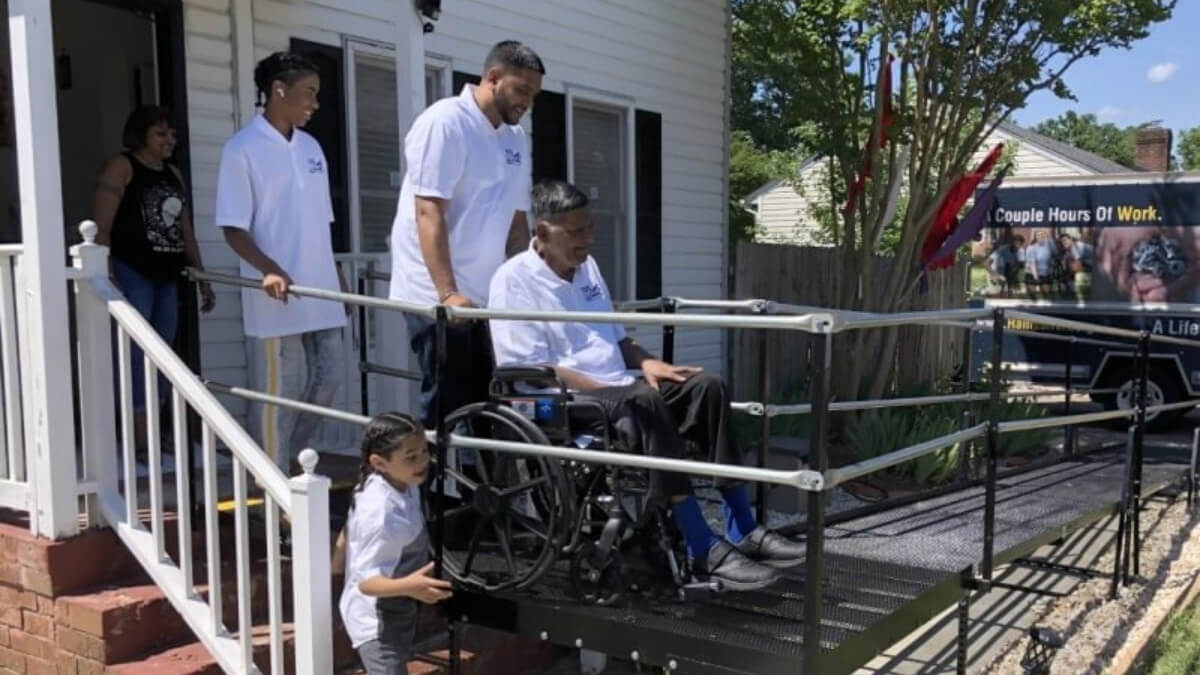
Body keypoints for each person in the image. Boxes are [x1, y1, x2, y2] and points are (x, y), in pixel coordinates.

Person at [487, 180, 804, 591]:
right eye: (576, 231)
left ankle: (743, 527)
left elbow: (617, 337)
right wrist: (607, 387)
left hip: (619, 390)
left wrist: (648, 361)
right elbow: (531, 367)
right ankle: (701, 546)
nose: (587, 239)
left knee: (707, 387)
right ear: (543, 232)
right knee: (644, 401)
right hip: (558, 399)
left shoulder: (588, 268)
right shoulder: (513, 280)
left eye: (590, 228)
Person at [388, 40, 543, 427]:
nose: (528, 102)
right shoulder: (445, 122)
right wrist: (448, 294)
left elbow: (517, 221)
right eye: (522, 90)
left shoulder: (515, 138)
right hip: (438, 295)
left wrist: (525, 285)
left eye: (534, 94)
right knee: (445, 403)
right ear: (493, 77)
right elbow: (428, 211)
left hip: (488, 297)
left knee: (492, 404)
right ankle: (426, 486)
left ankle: (481, 489)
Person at [216, 52, 350, 472]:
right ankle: (271, 478)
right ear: (279, 89)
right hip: (276, 293)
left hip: (320, 285)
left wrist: (338, 275)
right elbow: (233, 227)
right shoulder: (242, 149)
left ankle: (290, 459)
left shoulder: (312, 148)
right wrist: (267, 268)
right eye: (308, 93)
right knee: (281, 391)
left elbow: (322, 222)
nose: (314, 104)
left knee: (328, 380)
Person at [92, 105, 215, 450]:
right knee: (135, 352)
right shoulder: (123, 166)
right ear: (141, 134)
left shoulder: (172, 174)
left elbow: (185, 229)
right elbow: (101, 226)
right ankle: (138, 435)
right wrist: (108, 272)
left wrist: (202, 277)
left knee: (163, 353)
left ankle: (156, 429)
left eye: (172, 134)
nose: (169, 141)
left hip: (167, 274)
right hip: (133, 270)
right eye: (161, 134)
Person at [333, 412, 451, 675]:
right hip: (376, 621)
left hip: (400, 608)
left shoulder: (402, 480)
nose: (423, 461)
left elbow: (350, 527)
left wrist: (336, 566)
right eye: (411, 456)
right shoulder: (380, 511)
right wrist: (412, 585)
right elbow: (366, 582)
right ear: (379, 462)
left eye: (424, 451)